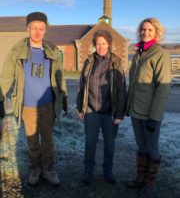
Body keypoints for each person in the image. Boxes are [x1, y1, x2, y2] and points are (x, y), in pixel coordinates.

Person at [0, 12, 68, 186]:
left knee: (47, 140)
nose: (37, 32)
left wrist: (64, 95)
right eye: (34, 28)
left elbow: (60, 77)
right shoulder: (17, 50)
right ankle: (35, 168)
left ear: (45, 30)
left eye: (41, 28)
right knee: (32, 141)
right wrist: (1, 98)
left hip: (48, 105)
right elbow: (6, 76)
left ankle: (47, 169)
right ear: (28, 28)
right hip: (27, 107)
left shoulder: (52, 50)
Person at [126, 18, 171, 198]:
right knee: (141, 146)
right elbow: (135, 84)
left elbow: (164, 87)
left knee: (152, 148)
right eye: (143, 30)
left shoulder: (160, 54)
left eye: (150, 30)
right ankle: (140, 179)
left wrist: (155, 116)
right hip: (136, 111)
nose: (146, 33)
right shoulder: (138, 53)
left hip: (150, 113)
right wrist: (127, 107)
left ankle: (150, 185)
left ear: (157, 33)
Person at [76, 30, 126, 185]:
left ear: (109, 44)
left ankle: (108, 170)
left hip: (110, 113)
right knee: (90, 143)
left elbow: (122, 90)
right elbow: (82, 85)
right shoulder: (89, 61)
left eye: (104, 43)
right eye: (98, 43)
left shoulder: (116, 62)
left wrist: (119, 114)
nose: (101, 46)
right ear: (94, 45)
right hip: (91, 111)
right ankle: (88, 171)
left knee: (109, 144)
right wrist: (80, 107)